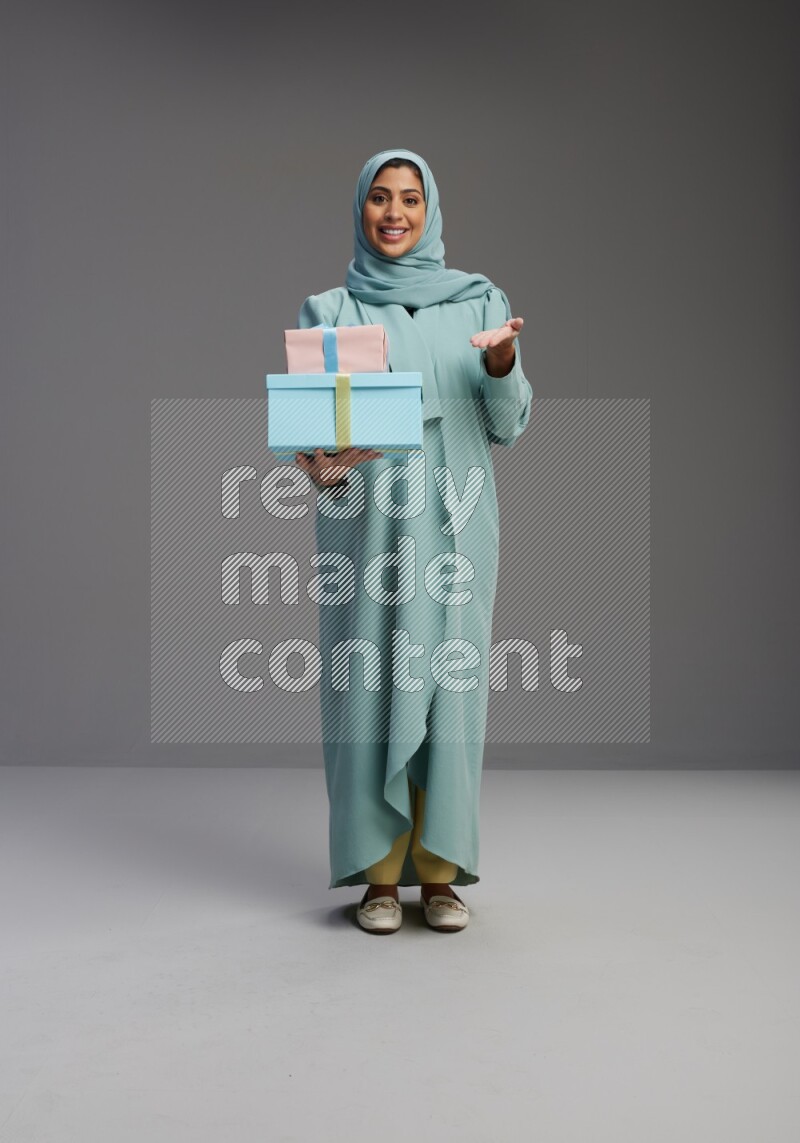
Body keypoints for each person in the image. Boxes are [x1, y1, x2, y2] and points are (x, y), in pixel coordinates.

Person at [293, 148, 532, 934]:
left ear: (431, 214)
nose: (394, 213)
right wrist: (322, 462)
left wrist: (502, 363)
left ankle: (440, 876)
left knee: (449, 700)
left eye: (410, 200)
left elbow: (507, 424)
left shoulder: (479, 304)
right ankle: (378, 879)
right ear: (360, 209)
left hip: (458, 532)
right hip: (368, 540)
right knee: (369, 697)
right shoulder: (330, 311)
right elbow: (318, 463)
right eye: (380, 199)